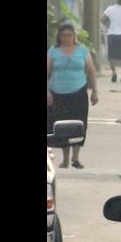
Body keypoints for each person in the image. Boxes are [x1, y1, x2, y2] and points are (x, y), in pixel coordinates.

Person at [47, 23, 99, 169]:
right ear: (59, 37)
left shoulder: (82, 51)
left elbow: (91, 71)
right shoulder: (53, 51)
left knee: (79, 125)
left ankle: (75, 158)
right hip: (58, 94)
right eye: (64, 36)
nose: (66, 38)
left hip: (78, 92)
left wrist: (94, 91)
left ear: (73, 36)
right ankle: (65, 159)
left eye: (69, 35)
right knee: (62, 126)